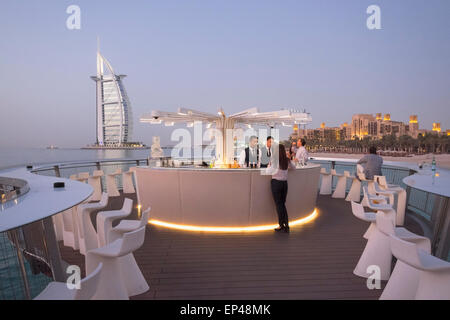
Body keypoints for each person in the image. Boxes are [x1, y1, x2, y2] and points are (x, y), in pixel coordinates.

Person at [267, 144, 296, 233]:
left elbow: (268, 171)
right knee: (282, 204)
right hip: (284, 184)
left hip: (276, 184)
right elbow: (294, 168)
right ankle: (286, 225)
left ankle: (281, 225)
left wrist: (269, 165)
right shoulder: (286, 160)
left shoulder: (274, 161)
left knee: (279, 205)